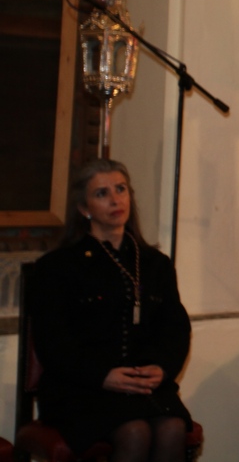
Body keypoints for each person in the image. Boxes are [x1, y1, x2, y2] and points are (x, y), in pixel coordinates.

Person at [29, 159, 192, 462]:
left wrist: (162, 367)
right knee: (135, 432)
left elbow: (175, 328)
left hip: (143, 387)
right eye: (102, 193)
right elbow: (52, 343)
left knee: (171, 428)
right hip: (80, 389)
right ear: (83, 208)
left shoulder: (155, 263)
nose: (115, 200)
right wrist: (101, 375)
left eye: (120, 189)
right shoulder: (57, 267)